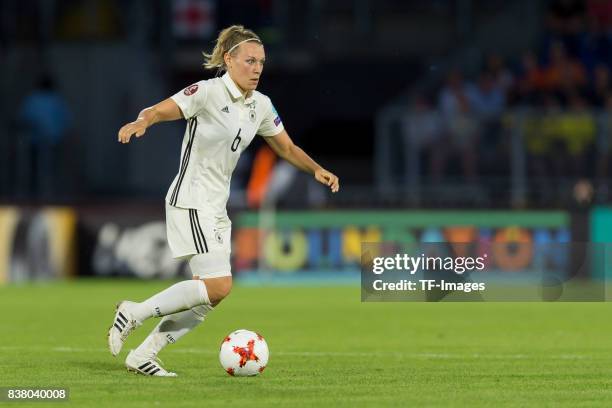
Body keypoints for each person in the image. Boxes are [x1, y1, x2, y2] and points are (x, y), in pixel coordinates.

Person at [107, 25, 340, 377]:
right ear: (229, 60)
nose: (257, 68)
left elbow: (287, 147)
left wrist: (316, 169)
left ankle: (143, 354)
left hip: (216, 206)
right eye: (249, 60)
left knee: (212, 296)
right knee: (219, 284)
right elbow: (157, 109)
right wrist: (143, 122)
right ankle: (133, 312)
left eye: (261, 61)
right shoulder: (207, 92)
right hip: (191, 197)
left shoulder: (260, 105)